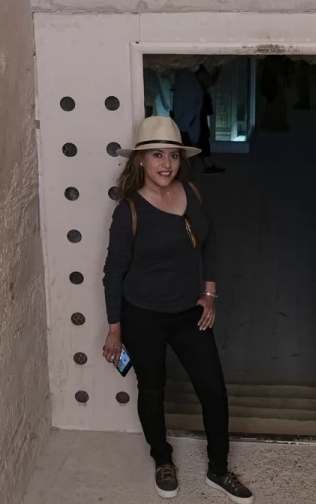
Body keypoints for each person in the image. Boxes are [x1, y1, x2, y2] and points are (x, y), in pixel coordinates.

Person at [102, 116, 253, 503]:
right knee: (152, 390)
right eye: (156, 155)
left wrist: (210, 294)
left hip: (189, 313)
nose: (165, 163)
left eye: (171, 155)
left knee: (214, 392)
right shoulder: (129, 210)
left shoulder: (193, 193)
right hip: (142, 316)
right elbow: (114, 272)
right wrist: (115, 329)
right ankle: (162, 460)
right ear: (140, 161)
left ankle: (219, 470)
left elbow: (210, 244)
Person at [171, 66, 226, 174]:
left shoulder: (183, 71)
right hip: (192, 108)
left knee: (196, 135)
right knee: (194, 136)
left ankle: (201, 165)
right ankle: (188, 168)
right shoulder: (193, 67)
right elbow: (209, 81)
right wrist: (218, 67)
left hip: (187, 107)